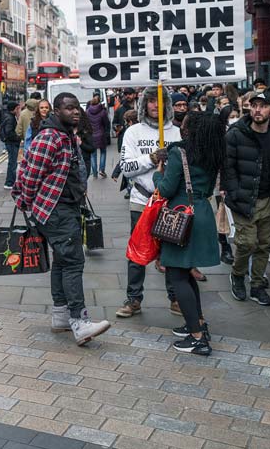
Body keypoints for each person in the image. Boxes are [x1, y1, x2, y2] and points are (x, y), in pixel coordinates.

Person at [13, 93, 110, 346]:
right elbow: (30, 174)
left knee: (61, 261)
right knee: (74, 262)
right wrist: (25, 202)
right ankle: (80, 322)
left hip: (63, 207)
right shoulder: (50, 137)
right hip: (55, 210)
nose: (75, 112)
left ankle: (61, 316)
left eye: (77, 107)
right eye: (68, 108)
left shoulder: (64, 135)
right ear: (56, 111)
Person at [155, 112, 226, 355]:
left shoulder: (179, 153)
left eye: (184, 124)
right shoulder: (212, 153)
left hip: (181, 216)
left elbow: (165, 188)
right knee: (187, 273)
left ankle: (197, 338)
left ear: (190, 129)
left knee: (177, 275)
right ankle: (198, 323)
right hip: (203, 212)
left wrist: (158, 172)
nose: (180, 126)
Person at [116, 86, 182, 318]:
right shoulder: (133, 132)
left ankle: (175, 298)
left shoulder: (176, 132)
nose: (156, 105)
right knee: (137, 252)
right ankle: (134, 299)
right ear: (145, 104)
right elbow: (126, 167)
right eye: (152, 101)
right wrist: (151, 158)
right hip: (141, 200)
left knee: (172, 254)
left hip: (170, 202)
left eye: (161, 101)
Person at [222, 92, 270, 306]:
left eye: (263, 106)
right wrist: (234, 192)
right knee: (246, 243)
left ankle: (257, 284)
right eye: (254, 106)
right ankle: (237, 274)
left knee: (264, 244)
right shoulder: (235, 134)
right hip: (243, 198)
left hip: (269, 197)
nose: (257, 110)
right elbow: (227, 167)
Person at [85, 96, 110, 178]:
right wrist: (107, 133)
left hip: (91, 135)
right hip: (101, 135)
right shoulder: (103, 112)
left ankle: (95, 173)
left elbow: (86, 124)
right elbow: (106, 123)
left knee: (93, 155)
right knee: (103, 152)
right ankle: (101, 170)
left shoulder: (87, 112)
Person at [0, 101, 19, 190]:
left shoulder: (7, 116)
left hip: (10, 142)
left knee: (12, 163)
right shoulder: (10, 118)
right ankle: (9, 182)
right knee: (12, 163)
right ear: (14, 109)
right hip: (11, 143)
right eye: (17, 108)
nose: (18, 110)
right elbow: (9, 132)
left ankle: (10, 182)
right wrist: (18, 138)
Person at [113, 87, 137, 152]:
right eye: (126, 94)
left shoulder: (140, 108)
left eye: (129, 94)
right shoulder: (120, 109)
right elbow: (114, 123)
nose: (127, 96)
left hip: (138, 140)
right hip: (125, 140)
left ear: (134, 95)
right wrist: (117, 127)